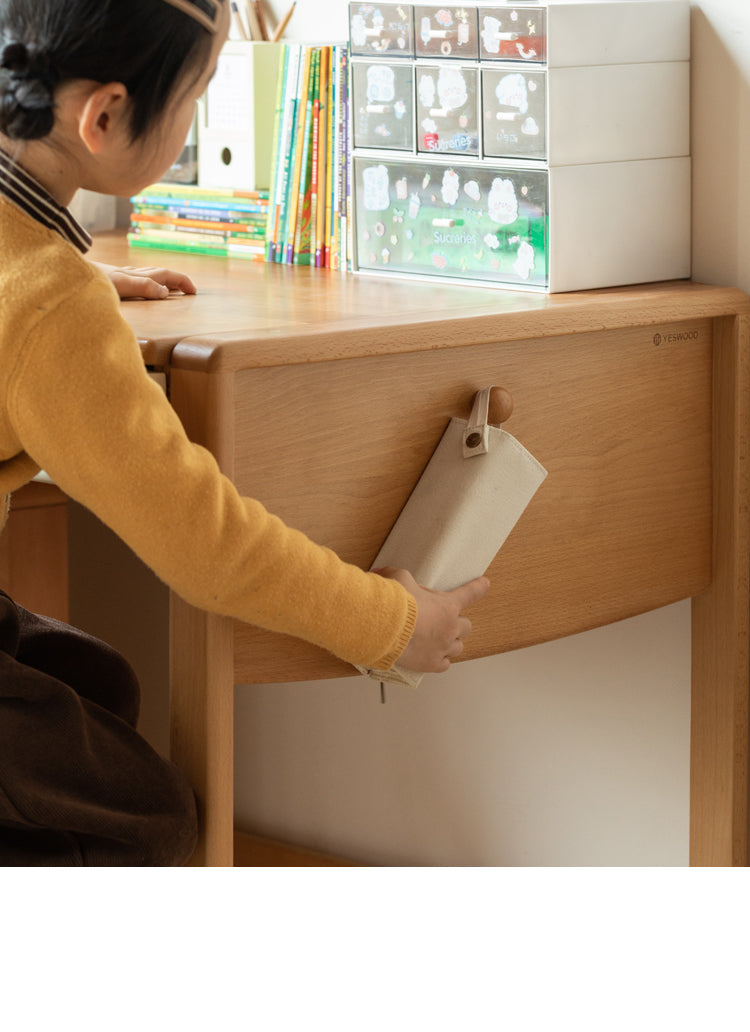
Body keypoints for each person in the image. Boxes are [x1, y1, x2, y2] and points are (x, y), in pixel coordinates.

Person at [0, 0, 489, 866]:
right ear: (106, 116)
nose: (195, 121)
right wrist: (391, 624)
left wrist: (73, 272)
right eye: (198, 96)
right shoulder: (47, 306)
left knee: (96, 683)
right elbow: (205, 543)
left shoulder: (38, 272)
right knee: (152, 821)